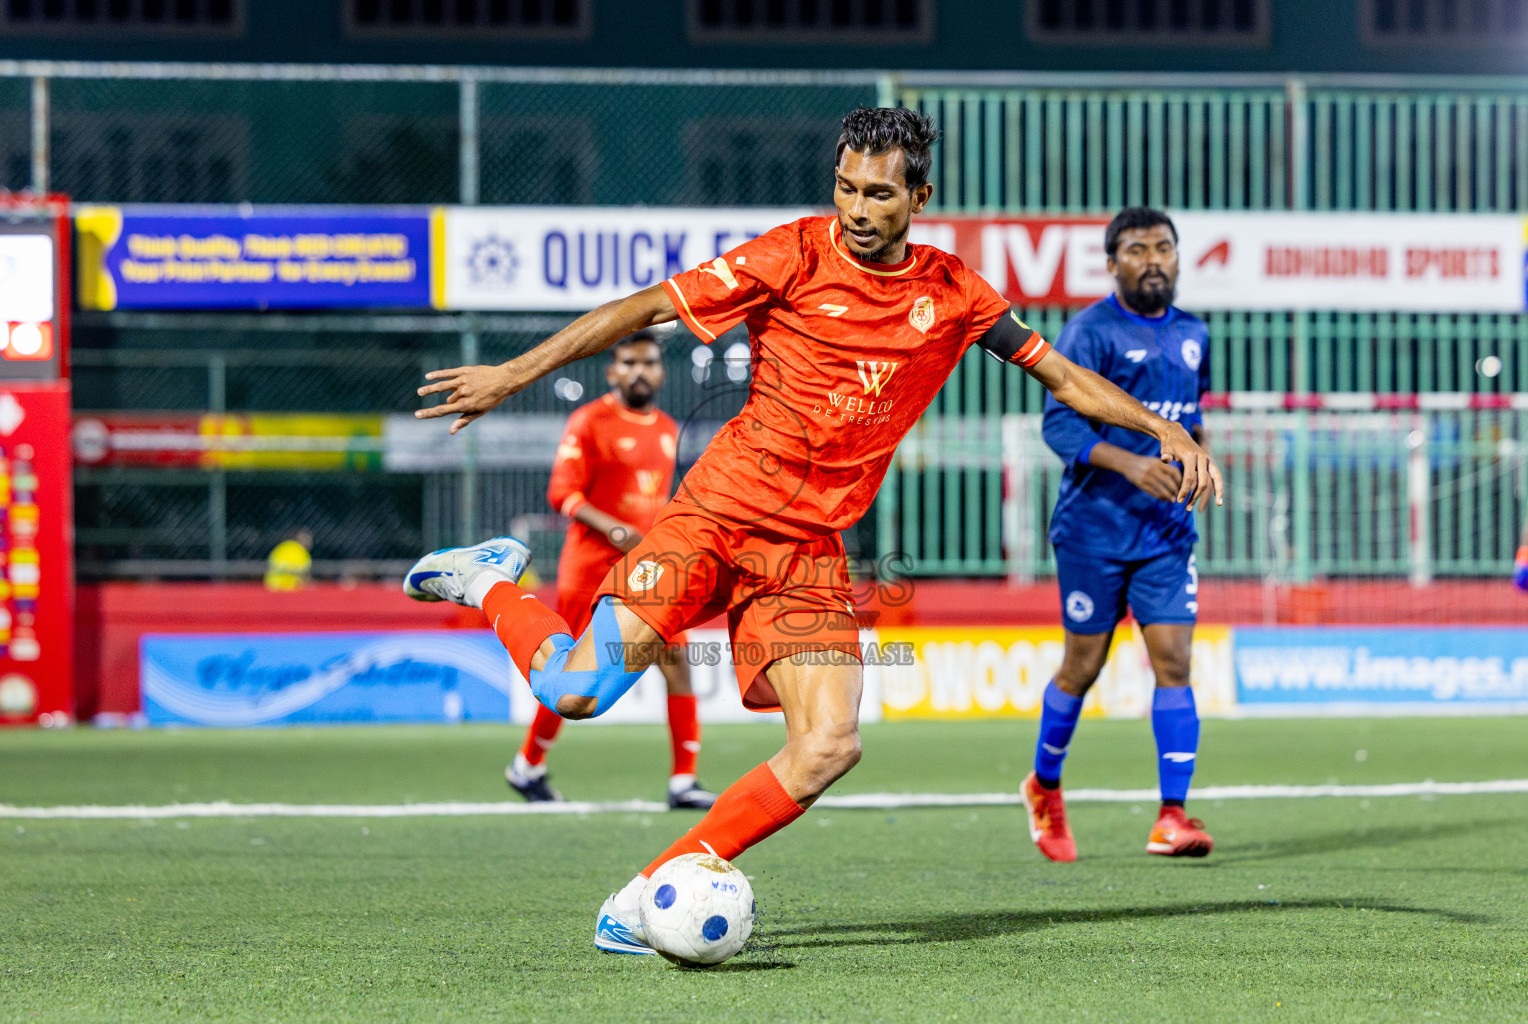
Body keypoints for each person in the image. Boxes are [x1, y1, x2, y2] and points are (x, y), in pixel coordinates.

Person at [403, 108, 1221, 956]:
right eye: (845, 188)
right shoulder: (790, 254)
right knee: (576, 694)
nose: (857, 209)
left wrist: (1164, 429)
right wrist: (511, 372)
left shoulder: (952, 293)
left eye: (877, 193)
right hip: (717, 517)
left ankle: (651, 892)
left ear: (918, 196)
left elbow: (1062, 375)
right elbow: (641, 309)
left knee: (829, 744)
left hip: (805, 554)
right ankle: (488, 581)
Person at [1020, 207, 1216, 863]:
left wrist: (1198, 467)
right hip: (1093, 531)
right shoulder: (1089, 332)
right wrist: (1133, 464)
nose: (1153, 259)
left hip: (1165, 533)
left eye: (1164, 247)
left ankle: (1172, 815)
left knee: (1176, 663)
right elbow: (1060, 427)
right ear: (1112, 264)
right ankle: (1044, 787)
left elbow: (1191, 420)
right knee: (1084, 666)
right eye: (1137, 249)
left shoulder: (1194, 334)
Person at [506, 332, 717, 811]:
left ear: (661, 371)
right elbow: (563, 494)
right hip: (592, 570)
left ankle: (684, 780)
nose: (639, 371)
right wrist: (615, 530)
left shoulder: (666, 428)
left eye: (648, 362)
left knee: (676, 665)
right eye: (629, 362)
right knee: (573, 676)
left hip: (650, 571)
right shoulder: (590, 421)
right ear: (612, 371)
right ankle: (528, 764)